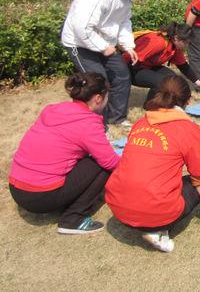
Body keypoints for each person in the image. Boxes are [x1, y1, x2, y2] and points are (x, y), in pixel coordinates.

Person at [105, 76, 200, 252]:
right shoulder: (188, 129)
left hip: (117, 207)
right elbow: (199, 178)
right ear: (188, 100)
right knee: (193, 186)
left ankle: (150, 223)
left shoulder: (141, 123)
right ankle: (157, 231)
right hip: (155, 210)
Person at [9, 72, 120, 234]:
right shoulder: (88, 123)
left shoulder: (52, 110)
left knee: (92, 158)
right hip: (39, 196)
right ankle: (73, 219)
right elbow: (110, 162)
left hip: (17, 188)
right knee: (101, 165)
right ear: (98, 98)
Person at [61, 0, 156, 127]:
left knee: (121, 74)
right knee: (97, 81)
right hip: (80, 43)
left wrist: (128, 46)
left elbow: (124, 22)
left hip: (105, 43)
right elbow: (81, 27)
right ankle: (98, 124)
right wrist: (103, 47)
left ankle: (117, 118)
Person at [122, 22, 200, 103]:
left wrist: (197, 81)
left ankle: (162, 102)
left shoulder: (174, 46)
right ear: (177, 38)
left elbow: (183, 65)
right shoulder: (158, 42)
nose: (187, 46)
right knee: (162, 81)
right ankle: (151, 105)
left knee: (173, 79)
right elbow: (127, 57)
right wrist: (120, 79)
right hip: (130, 69)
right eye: (186, 43)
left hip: (146, 67)